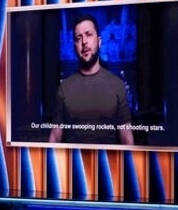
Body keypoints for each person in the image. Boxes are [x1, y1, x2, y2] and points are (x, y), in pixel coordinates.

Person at [49, 14, 134, 145]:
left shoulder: (117, 85)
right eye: (79, 38)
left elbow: (127, 136)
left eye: (88, 34)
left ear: (99, 41)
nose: (84, 42)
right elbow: (55, 136)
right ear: (75, 47)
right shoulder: (64, 88)